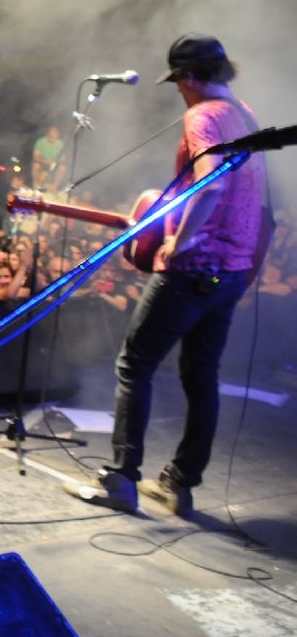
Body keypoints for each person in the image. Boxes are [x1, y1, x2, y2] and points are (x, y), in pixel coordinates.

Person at [71, 34, 269, 516]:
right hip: (234, 269)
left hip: (191, 269)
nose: (179, 91)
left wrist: (180, 243)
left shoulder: (203, 115)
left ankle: (121, 480)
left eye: (180, 81)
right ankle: (180, 484)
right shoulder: (244, 112)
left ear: (191, 77)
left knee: (134, 364)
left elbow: (210, 181)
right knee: (202, 374)